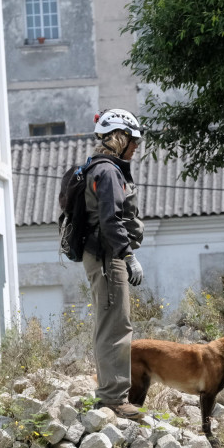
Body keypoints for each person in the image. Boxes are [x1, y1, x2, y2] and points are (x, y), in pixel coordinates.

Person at [82, 108, 146, 420]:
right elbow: (110, 220)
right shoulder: (106, 172)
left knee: (112, 324)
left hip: (106, 255)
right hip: (109, 258)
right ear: (120, 138)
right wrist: (129, 255)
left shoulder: (100, 168)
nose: (135, 147)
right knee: (116, 326)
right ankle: (113, 399)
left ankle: (112, 394)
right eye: (133, 140)